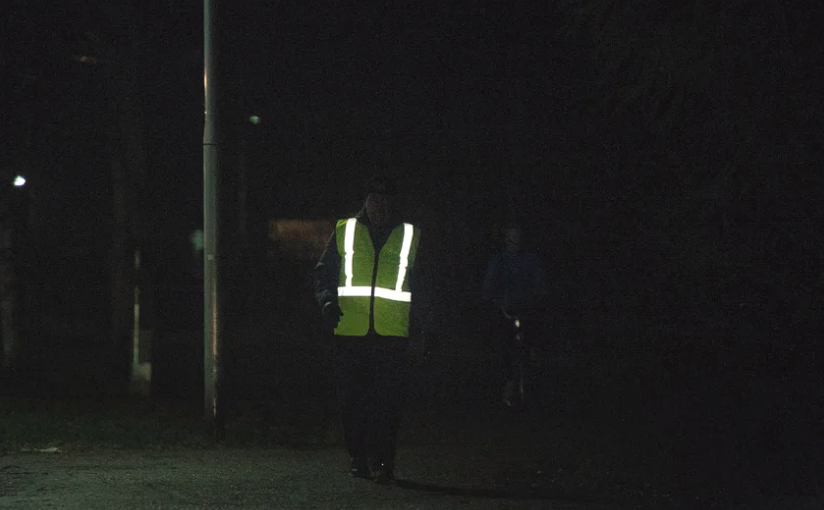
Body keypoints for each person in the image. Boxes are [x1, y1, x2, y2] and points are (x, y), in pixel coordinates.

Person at [313, 175, 429, 484]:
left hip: (392, 336)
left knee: (388, 403)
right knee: (352, 400)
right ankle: (358, 458)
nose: (380, 203)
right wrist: (327, 303)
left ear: (394, 202)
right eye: (374, 197)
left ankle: (383, 462)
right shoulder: (345, 231)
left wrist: (419, 332)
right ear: (365, 200)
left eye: (386, 197)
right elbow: (324, 274)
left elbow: (423, 288)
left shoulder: (410, 236)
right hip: (350, 333)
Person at [482, 223, 547, 406]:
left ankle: (534, 372)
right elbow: (489, 285)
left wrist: (537, 299)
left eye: (517, 237)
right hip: (505, 310)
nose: (514, 241)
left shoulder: (531, 259)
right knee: (504, 346)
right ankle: (508, 384)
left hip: (527, 310)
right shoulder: (499, 260)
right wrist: (493, 300)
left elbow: (540, 284)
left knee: (532, 342)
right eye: (511, 237)